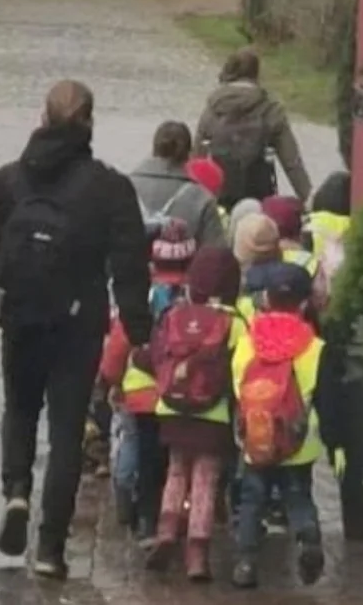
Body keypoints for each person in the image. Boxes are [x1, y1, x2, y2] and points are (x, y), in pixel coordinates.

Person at [0, 79, 152, 580]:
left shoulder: (7, 181)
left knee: (20, 409)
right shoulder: (110, 188)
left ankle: (17, 492)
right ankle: (50, 549)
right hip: (79, 321)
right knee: (67, 432)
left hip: (21, 316)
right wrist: (139, 328)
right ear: (90, 122)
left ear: (41, 118)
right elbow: (131, 264)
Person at [231, 261, 346, 589]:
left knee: (252, 499)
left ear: (265, 298)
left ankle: (246, 563)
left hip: (256, 437)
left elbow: (237, 386)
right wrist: (335, 444)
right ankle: (308, 539)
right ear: (304, 302)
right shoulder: (316, 348)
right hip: (299, 443)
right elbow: (328, 403)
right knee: (298, 496)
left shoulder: (248, 341)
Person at [144, 246, 247, 582]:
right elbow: (242, 371)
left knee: (176, 471)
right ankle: (197, 553)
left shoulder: (174, 314)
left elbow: (155, 358)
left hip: (172, 408)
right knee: (205, 478)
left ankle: (166, 532)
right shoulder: (234, 323)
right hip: (213, 414)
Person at [98, 217, 192, 542]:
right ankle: (177, 518)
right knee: (175, 460)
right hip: (185, 392)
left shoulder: (143, 294)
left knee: (139, 450)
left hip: (142, 393)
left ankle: (140, 514)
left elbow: (121, 341)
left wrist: (109, 378)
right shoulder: (197, 296)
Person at [195, 47, 312, 208]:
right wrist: (309, 201)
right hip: (259, 198)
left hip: (221, 197)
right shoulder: (271, 109)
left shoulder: (213, 109)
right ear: (256, 75)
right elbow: (292, 163)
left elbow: (196, 160)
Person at [129, 121, 226, 250]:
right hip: (184, 269)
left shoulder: (123, 187)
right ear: (189, 154)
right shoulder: (202, 199)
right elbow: (214, 255)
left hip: (130, 268)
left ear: (154, 149)